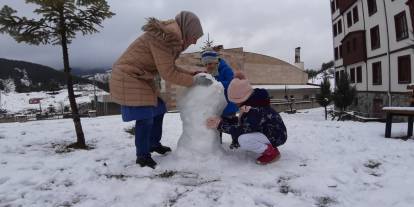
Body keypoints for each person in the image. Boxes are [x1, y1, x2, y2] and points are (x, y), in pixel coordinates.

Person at [110, 11, 212, 169]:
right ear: (187, 31)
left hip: (142, 76)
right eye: (194, 38)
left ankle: (153, 143)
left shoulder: (169, 39)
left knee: (159, 108)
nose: (193, 42)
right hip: (129, 76)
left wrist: (192, 74)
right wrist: (194, 81)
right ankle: (142, 156)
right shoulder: (163, 38)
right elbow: (168, 73)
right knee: (145, 117)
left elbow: (169, 66)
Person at [206, 73, 287, 164]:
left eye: (235, 101)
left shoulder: (255, 110)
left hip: (276, 137)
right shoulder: (253, 103)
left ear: (242, 98)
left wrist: (220, 125)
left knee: (244, 139)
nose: (235, 104)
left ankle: (272, 153)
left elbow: (242, 129)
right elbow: (245, 123)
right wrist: (226, 120)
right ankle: (267, 146)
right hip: (268, 132)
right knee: (244, 136)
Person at [200, 48, 239, 148]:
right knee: (217, 123)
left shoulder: (226, 69)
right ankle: (218, 141)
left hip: (229, 102)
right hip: (217, 104)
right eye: (206, 64)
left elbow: (232, 83)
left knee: (231, 123)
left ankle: (236, 140)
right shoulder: (210, 72)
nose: (208, 66)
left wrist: (216, 84)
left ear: (215, 61)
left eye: (210, 63)